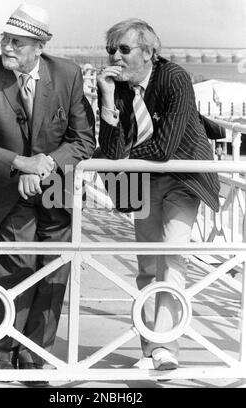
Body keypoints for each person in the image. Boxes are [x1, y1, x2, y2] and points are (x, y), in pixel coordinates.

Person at [0, 3, 95, 386]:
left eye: (17, 42)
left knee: (53, 271)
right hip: (10, 190)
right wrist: (20, 162)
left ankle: (36, 360)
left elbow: (84, 140)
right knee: (15, 272)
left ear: (40, 46)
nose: (8, 47)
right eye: (5, 39)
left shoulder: (67, 74)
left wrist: (45, 163)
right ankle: (6, 354)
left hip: (56, 188)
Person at [96, 19, 220, 371]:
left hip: (184, 177)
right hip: (144, 180)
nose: (115, 57)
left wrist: (122, 157)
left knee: (172, 255)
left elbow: (165, 148)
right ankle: (150, 348)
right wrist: (106, 97)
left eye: (124, 49)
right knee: (147, 266)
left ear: (149, 53)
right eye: (110, 50)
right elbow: (110, 147)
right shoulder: (115, 86)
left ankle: (166, 346)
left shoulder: (174, 78)